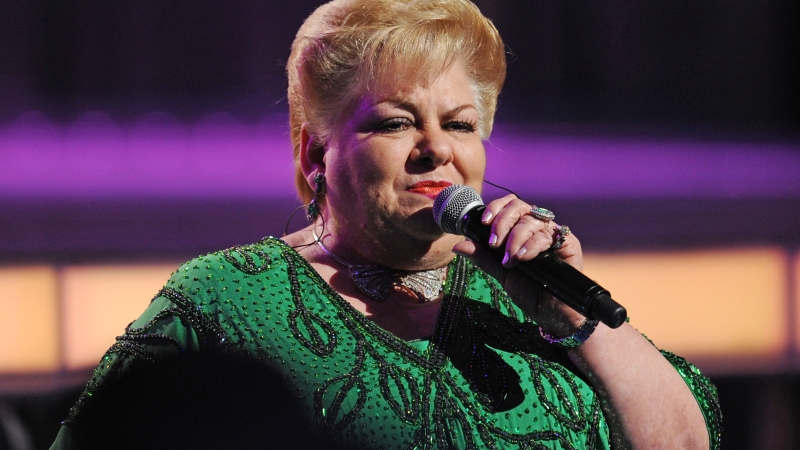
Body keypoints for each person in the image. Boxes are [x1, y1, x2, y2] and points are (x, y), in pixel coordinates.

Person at [51, 0, 721, 448]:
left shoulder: (534, 300)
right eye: (397, 122)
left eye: (459, 125)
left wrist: (573, 320)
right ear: (317, 153)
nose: (437, 148)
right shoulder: (224, 299)